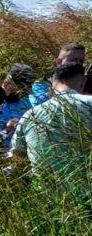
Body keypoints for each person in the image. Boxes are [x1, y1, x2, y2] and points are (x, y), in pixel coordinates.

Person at [11, 61, 92, 196]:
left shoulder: (30, 115)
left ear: (52, 86)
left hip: (47, 197)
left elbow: (18, 156)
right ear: (83, 82)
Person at [0, 63, 38, 145]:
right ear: (8, 80)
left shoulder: (26, 101)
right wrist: (7, 130)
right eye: (21, 86)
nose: (28, 90)